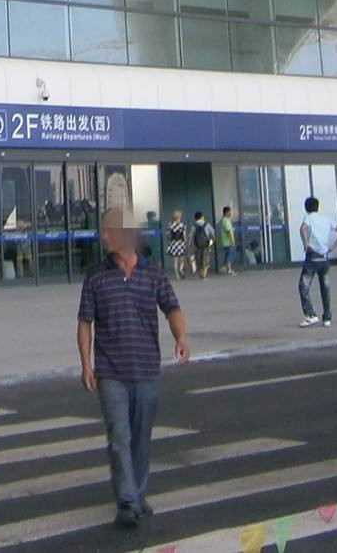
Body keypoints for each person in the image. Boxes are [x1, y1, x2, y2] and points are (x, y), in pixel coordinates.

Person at [77, 210, 189, 530]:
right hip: (111, 371)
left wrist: (181, 337)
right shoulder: (96, 276)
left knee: (140, 438)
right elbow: (85, 323)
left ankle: (138, 494)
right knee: (119, 437)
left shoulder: (153, 274)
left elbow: (172, 309)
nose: (102, 237)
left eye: (107, 231)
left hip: (146, 369)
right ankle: (126, 501)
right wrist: (86, 364)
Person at [296, 196, 337, 327]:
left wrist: (305, 244)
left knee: (303, 286)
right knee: (325, 288)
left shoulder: (308, 218)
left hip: (312, 257)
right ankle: (327, 318)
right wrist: (333, 246)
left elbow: (302, 228)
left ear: (306, 208)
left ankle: (310, 314)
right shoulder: (326, 219)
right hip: (324, 258)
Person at [166, 210, 189, 279]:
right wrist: (186, 243)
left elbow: (168, 234)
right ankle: (181, 269)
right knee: (182, 258)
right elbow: (184, 235)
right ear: (179, 216)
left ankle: (177, 275)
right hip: (181, 243)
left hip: (174, 243)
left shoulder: (170, 224)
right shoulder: (183, 225)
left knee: (175, 260)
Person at [192, 211, 213, 279]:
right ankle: (204, 275)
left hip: (197, 245)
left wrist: (188, 244)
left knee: (199, 260)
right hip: (206, 245)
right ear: (202, 217)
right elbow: (212, 233)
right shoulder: (207, 224)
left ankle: (201, 274)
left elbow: (191, 235)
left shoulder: (194, 226)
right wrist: (211, 243)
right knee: (206, 260)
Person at [217, 207, 237, 276]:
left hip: (226, 242)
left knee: (227, 255)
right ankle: (229, 270)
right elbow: (228, 231)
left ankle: (224, 268)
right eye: (230, 212)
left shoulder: (225, 220)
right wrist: (232, 241)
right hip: (228, 242)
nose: (231, 213)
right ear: (227, 212)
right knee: (229, 256)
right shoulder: (225, 220)